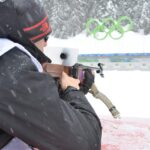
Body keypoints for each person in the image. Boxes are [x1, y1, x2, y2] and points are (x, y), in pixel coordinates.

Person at [0, 0, 102, 150]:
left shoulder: (8, 64)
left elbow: (27, 98)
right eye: (45, 37)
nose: (46, 44)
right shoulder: (12, 73)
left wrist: (61, 88)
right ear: (29, 38)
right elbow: (86, 142)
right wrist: (73, 92)